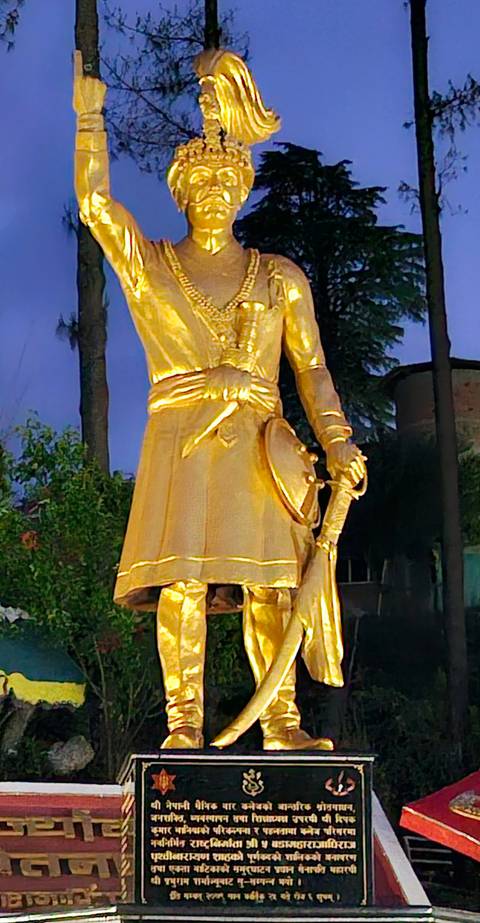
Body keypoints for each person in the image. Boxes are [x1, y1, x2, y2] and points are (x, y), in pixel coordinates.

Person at [73, 48, 366, 751]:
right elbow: (95, 207)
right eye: (197, 181)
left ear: (241, 188)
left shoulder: (280, 278)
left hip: (263, 448)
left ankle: (281, 720)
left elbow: (314, 370)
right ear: (180, 191)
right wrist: (89, 120)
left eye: (223, 180)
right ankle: (183, 723)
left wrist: (337, 440)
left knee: (271, 585)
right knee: (183, 586)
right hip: (183, 439)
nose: (211, 190)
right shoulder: (154, 269)